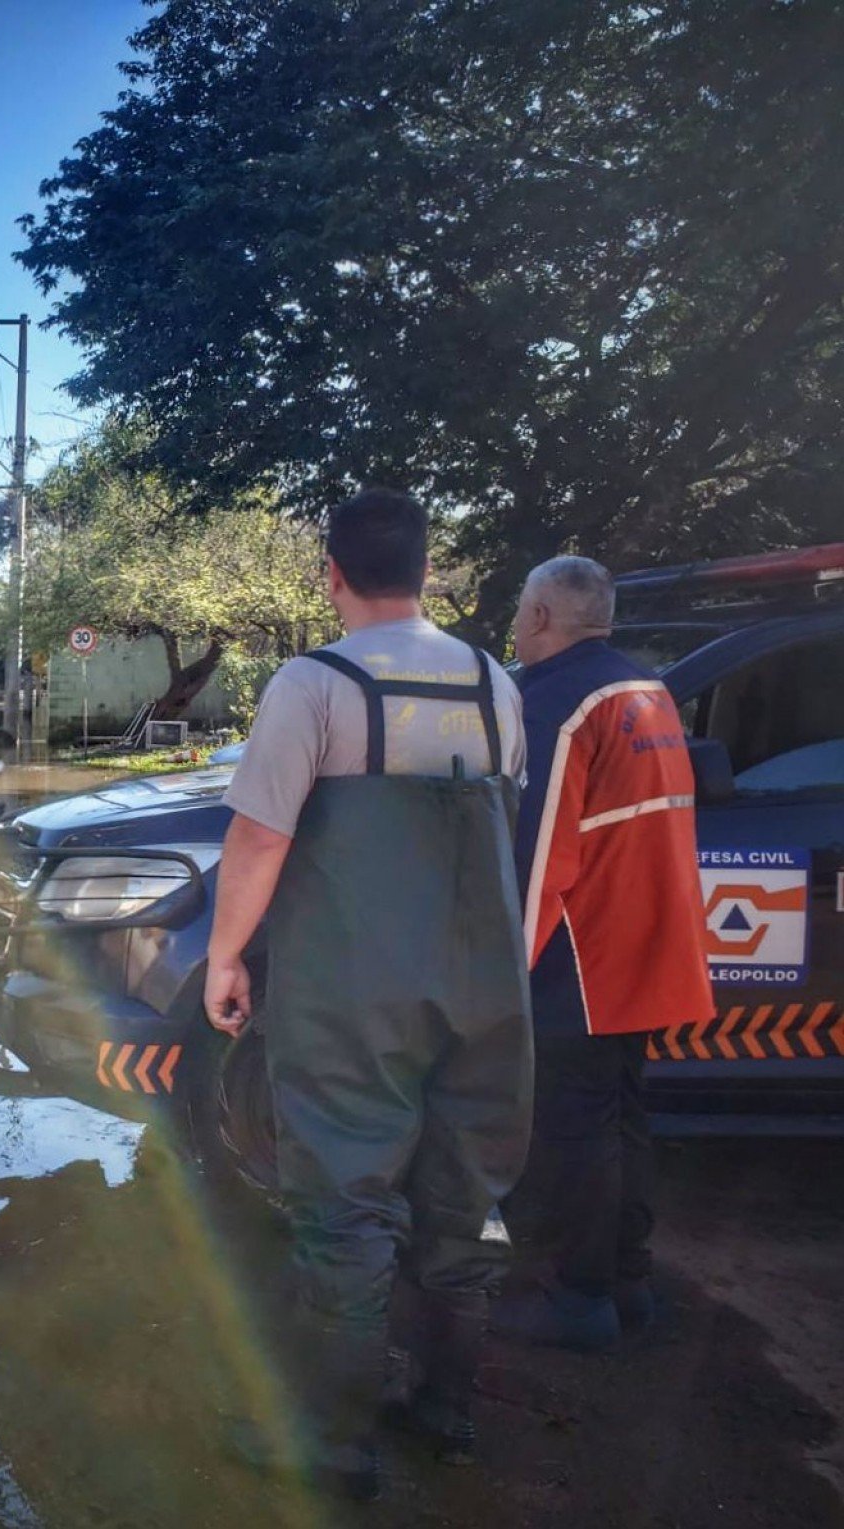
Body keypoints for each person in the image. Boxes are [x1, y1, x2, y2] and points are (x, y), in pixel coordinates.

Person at [203, 488, 532, 1499]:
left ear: (331, 575)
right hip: (482, 986)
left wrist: (226, 956)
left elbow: (260, 838)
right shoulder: (495, 683)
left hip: (352, 990)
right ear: (430, 570)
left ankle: (334, 1442)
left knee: (346, 1202)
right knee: (463, 1192)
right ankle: (447, 1408)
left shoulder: (315, 685)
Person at [495, 556, 713, 1351]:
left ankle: (577, 1298)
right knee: (621, 1115)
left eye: (521, 611)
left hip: (579, 956)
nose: (517, 627)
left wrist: (501, 975)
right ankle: (628, 1280)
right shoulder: (644, 688)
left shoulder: (558, 701)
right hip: (647, 946)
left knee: (572, 1128)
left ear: (544, 616)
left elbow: (540, 850)